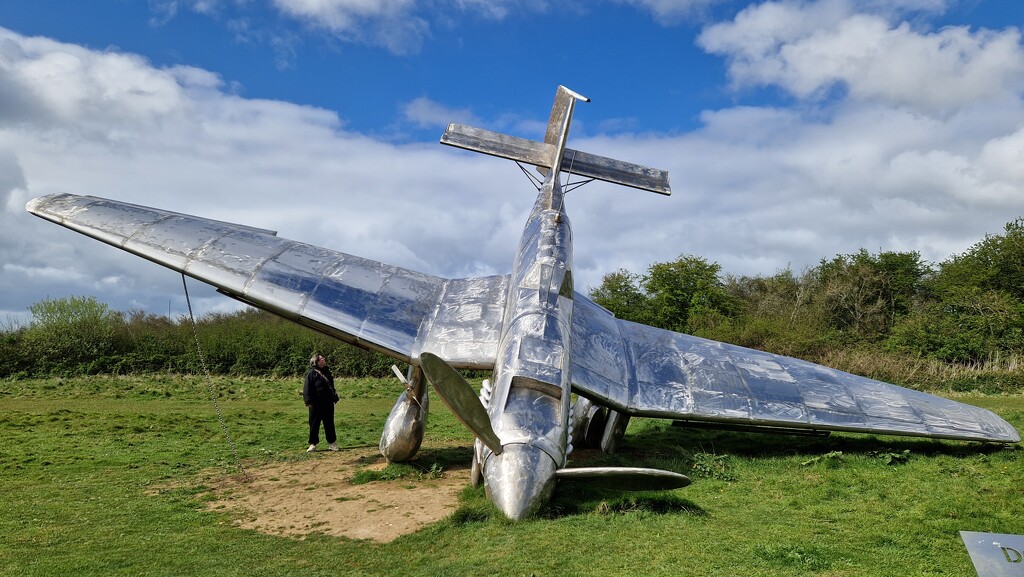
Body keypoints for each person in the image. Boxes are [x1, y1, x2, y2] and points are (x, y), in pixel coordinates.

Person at [303, 353, 340, 452]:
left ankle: (332, 443)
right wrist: (308, 401)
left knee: (329, 424)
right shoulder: (311, 373)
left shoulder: (327, 372)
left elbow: (331, 386)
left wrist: (334, 397)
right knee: (314, 424)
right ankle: (313, 444)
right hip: (315, 404)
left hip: (327, 403)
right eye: (322, 358)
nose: (324, 359)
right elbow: (307, 388)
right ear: (317, 361)